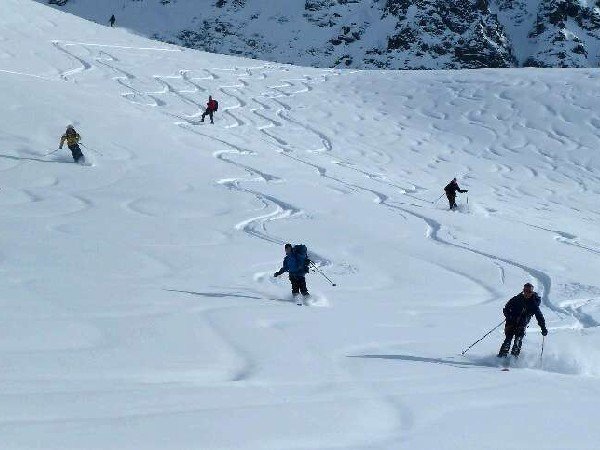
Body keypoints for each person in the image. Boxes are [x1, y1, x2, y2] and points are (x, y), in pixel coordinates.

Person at [497, 283, 548, 358]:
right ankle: (501, 358)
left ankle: (513, 360)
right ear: (523, 291)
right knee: (508, 340)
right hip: (511, 322)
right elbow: (506, 308)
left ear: (532, 292)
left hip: (522, 324)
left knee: (517, 341)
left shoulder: (534, 304)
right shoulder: (516, 299)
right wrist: (509, 316)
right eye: (525, 291)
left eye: (529, 292)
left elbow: (539, 317)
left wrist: (543, 328)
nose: (527, 293)